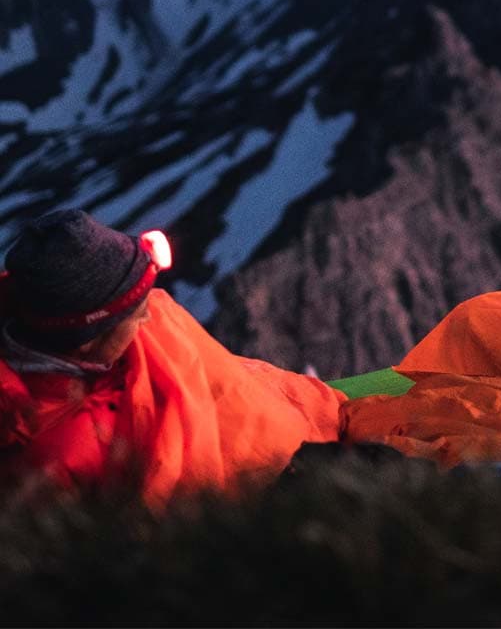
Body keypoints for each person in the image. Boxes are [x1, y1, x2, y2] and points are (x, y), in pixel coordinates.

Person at [0, 209, 347, 508]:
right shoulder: (55, 458)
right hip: (265, 500)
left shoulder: (146, 322)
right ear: (86, 342)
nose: (148, 318)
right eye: (136, 315)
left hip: (315, 426)